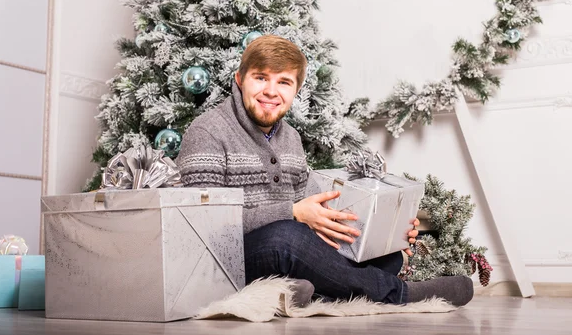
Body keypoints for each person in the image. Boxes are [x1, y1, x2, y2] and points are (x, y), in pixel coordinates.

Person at [175, 35, 473, 306]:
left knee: (388, 257)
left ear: (296, 89)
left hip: (284, 249)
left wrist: (385, 231)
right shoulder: (208, 132)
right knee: (286, 239)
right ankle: (399, 294)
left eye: (283, 82)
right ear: (240, 80)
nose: (270, 91)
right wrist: (291, 212)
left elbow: (314, 209)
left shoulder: (290, 137)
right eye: (261, 78)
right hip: (227, 261)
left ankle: (295, 290)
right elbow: (204, 227)